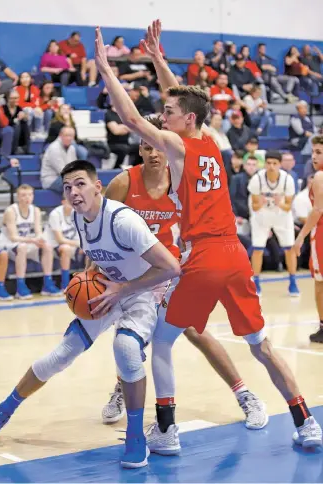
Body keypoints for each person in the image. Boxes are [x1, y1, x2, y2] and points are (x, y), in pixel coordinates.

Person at [95, 20, 322, 457]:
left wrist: (107, 69)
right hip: (234, 254)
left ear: (187, 120)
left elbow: (129, 117)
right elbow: (183, 99)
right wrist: (159, 60)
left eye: (170, 113)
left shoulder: (175, 147)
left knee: (161, 342)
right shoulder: (211, 141)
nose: (164, 115)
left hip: (202, 256)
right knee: (262, 345)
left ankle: (166, 428)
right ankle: (305, 420)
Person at [0, 160, 181, 471]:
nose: (73, 191)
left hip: (141, 293)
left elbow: (170, 268)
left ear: (98, 186)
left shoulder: (123, 221)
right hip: (108, 289)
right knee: (61, 354)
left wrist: (122, 290)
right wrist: (82, 285)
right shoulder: (80, 218)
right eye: (68, 187)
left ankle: (136, 436)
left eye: (80, 183)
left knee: (124, 348)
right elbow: (95, 256)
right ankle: (5, 409)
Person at [102, 116, 267, 430]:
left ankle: (245, 394)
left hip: (169, 270)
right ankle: (122, 388)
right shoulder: (124, 182)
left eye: (157, 147)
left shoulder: (181, 179)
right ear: (139, 148)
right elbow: (101, 228)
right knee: (130, 336)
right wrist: (96, 268)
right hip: (133, 273)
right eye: (146, 146)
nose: (153, 153)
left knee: (194, 331)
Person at [248, 151, 299, 296]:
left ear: (280, 164)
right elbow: (254, 206)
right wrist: (262, 202)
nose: (271, 166)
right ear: (265, 164)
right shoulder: (256, 179)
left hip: (281, 214)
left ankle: (293, 282)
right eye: (268, 163)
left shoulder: (287, 180)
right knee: (258, 248)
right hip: (262, 215)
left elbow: (288, 206)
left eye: (274, 163)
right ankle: (256, 282)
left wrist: (279, 203)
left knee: (289, 248)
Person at [0, 184, 62, 299]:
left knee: (47, 246)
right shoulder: (11, 211)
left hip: (26, 243)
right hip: (8, 245)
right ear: (18, 197)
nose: (27, 198)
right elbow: (13, 237)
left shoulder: (35, 210)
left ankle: (47, 283)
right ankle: (20, 286)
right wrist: (33, 240)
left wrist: (40, 239)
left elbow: (38, 232)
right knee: (22, 247)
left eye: (29, 195)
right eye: (23, 195)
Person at [294, 136, 323, 344]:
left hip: (320, 233)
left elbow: (318, 210)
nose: (314, 156)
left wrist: (301, 236)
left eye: (319, 152)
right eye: (313, 151)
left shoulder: (320, 176)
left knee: (320, 283)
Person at [43, 198, 84, 289]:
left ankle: (90, 280)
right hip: (54, 245)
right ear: (63, 202)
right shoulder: (55, 214)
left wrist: (84, 245)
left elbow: (84, 235)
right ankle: (65, 284)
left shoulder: (79, 213)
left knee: (91, 249)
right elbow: (60, 240)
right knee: (66, 248)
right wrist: (81, 244)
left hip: (72, 243)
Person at [41, 126, 80, 193]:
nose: (69, 138)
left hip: (66, 177)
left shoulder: (72, 148)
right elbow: (62, 171)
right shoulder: (54, 148)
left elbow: (75, 166)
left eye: (71, 136)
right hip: (52, 180)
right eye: (66, 135)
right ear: (60, 135)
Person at [3, 90, 31, 155]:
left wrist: (24, 116)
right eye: (14, 98)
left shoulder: (19, 109)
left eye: (17, 98)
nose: (16, 100)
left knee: (24, 123)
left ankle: (26, 148)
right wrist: (16, 120)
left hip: (17, 134)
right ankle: (13, 149)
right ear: (8, 99)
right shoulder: (3, 108)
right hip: (7, 133)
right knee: (16, 125)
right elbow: (4, 122)